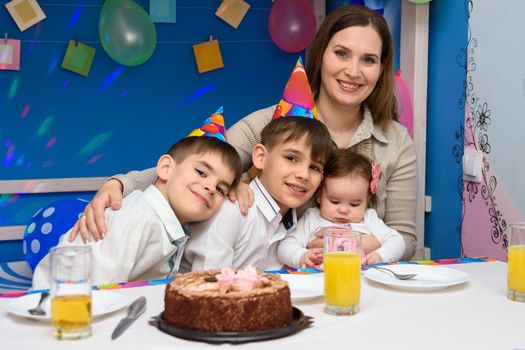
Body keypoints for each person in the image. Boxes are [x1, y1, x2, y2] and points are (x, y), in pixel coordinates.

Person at [72, 5, 418, 260]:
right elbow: (195, 165)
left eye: (369, 60)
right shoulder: (270, 123)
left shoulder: (396, 140)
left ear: (381, 69)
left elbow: (405, 236)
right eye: (341, 53)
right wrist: (121, 184)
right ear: (321, 56)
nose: (353, 71)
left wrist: (349, 243)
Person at [32, 134, 242, 288]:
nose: (210, 188)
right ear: (166, 169)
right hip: (59, 308)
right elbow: (97, 289)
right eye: (201, 172)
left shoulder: (172, 226)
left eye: (221, 189)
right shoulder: (140, 217)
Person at [180, 116, 334, 272]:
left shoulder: (298, 226)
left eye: (314, 167)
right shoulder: (232, 211)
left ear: (321, 179)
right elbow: (207, 287)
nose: (304, 175)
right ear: (261, 157)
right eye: (291, 158)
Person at [278, 148, 405, 269]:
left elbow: (397, 241)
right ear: (319, 196)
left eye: (354, 204)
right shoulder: (312, 218)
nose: (344, 210)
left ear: (367, 200)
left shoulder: (368, 218)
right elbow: (285, 246)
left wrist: (380, 256)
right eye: (334, 201)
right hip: (317, 281)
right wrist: (301, 256)